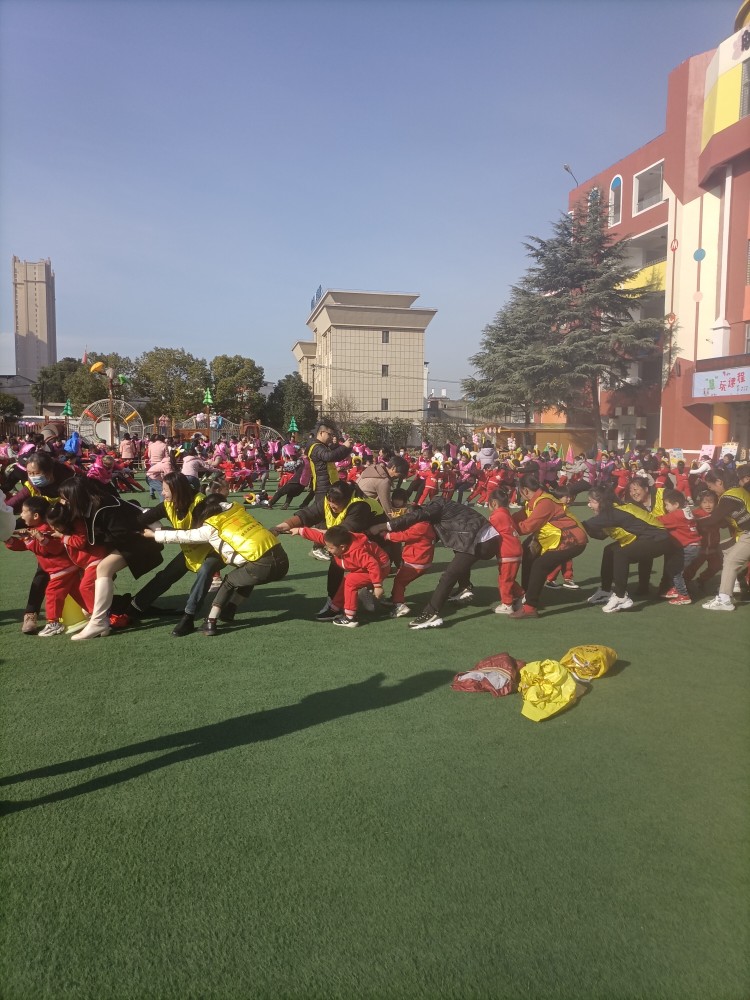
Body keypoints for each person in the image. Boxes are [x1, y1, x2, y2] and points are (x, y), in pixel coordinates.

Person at [144, 492, 289, 636]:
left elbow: (183, 536)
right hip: (282, 560)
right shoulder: (238, 511)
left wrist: (154, 535)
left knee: (229, 582)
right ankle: (230, 609)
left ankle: (210, 622)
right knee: (246, 575)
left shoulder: (210, 528)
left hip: (261, 566)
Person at [57, 476, 163, 640]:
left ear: (76, 496)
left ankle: (99, 621)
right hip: (131, 540)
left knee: (103, 568)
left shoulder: (103, 507)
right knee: (101, 570)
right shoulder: (95, 504)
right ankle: (100, 620)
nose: (63, 502)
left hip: (141, 540)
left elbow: (123, 534)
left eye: (65, 499)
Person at [273, 480, 392, 621]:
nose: (331, 506)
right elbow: (308, 514)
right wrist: (282, 527)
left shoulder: (359, 506)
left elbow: (340, 534)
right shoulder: (330, 500)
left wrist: (377, 585)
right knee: (345, 573)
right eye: (329, 502)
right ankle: (336, 604)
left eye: (335, 504)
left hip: (376, 544)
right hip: (352, 541)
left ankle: (353, 611)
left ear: (346, 500)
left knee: (350, 575)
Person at [125, 472, 225, 636]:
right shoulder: (169, 504)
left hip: (215, 548)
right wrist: (125, 529)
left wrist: (159, 532)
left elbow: (195, 535)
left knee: (205, 571)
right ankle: (135, 606)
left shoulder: (200, 503)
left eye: (165, 489)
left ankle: (189, 616)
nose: (162, 493)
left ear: (177, 490)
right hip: (192, 550)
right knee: (167, 575)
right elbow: (142, 520)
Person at [377, 496, 499, 629]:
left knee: (448, 576)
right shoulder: (444, 509)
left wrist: (386, 526)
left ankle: (431, 613)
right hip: (485, 537)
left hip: (480, 540)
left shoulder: (435, 506)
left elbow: (416, 516)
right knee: (458, 554)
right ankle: (464, 587)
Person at [6, 450, 77, 634]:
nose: (32, 477)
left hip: (72, 530)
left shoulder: (69, 481)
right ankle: (31, 613)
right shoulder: (31, 485)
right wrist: (3, 514)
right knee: (44, 569)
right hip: (47, 534)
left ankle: (99, 610)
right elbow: (14, 503)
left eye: (36, 473)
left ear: (49, 472)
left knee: (84, 575)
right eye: (29, 473)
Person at [583, 487, 681, 613]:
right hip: (650, 538)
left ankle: (621, 596)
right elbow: (600, 535)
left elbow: (583, 525)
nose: (589, 505)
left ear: (602, 502)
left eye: (591, 501)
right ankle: (605, 591)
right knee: (609, 550)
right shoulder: (613, 510)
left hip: (660, 540)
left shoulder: (612, 513)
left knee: (620, 553)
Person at [511, 474, 588, 619]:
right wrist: (502, 519)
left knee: (540, 565)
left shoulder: (544, 502)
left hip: (571, 540)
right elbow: (519, 516)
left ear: (525, 490)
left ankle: (530, 607)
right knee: (528, 550)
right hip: (556, 536)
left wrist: (505, 527)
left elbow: (527, 527)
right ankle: (526, 595)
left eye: (519, 491)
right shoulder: (534, 501)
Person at [4, 497, 82, 636]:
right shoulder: (36, 530)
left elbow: (50, 549)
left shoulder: (47, 529)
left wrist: (36, 539)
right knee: (79, 593)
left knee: (52, 593)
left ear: (35, 516)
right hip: (66, 569)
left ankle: (53, 623)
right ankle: (98, 614)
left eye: (24, 512)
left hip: (60, 569)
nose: (21, 515)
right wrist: (9, 540)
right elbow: (23, 546)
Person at [290, 524, 389, 627]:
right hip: (367, 567)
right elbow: (319, 537)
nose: (328, 550)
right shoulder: (337, 541)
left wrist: (377, 586)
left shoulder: (357, 551)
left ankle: (350, 618)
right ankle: (335, 609)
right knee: (346, 580)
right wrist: (300, 531)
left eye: (330, 548)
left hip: (380, 568)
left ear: (342, 547)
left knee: (350, 581)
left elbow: (373, 565)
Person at [697, 467, 750, 611]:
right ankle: (733, 584)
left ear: (719, 482)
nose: (712, 490)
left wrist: (691, 522)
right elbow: (723, 522)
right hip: (745, 534)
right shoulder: (736, 492)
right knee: (721, 549)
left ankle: (725, 599)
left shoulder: (729, 496)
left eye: (711, 487)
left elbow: (713, 519)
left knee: (731, 560)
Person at [378, 488, 436, 618]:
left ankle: (399, 605)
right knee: (400, 579)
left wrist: (386, 535)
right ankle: (395, 598)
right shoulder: (427, 524)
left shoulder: (419, 527)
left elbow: (404, 536)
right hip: (422, 561)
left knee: (399, 581)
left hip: (415, 562)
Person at [305, 422, 354, 559]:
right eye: (330, 434)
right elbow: (330, 456)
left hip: (328, 485)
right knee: (322, 518)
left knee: (329, 517)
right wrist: (345, 447)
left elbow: (335, 454)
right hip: (323, 487)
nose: (332, 437)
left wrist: (347, 448)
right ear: (321, 433)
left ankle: (325, 546)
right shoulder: (315, 447)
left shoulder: (322, 446)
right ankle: (317, 547)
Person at [657, 489, 701, 605]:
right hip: (693, 545)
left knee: (675, 570)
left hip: (688, 547)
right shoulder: (686, 511)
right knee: (673, 567)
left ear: (676, 504)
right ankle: (677, 588)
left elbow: (658, 521)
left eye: (667, 505)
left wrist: (646, 517)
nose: (666, 508)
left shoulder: (676, 515)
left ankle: (683, 595)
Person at [488, 488, 524, 615]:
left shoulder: (496, 516)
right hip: (514, 550)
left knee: (505, 580)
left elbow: (488, 531)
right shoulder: (507, 514)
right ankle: (521, 596)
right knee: (509, 578)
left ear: (493, 503)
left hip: (507, 552)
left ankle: (507, 604)